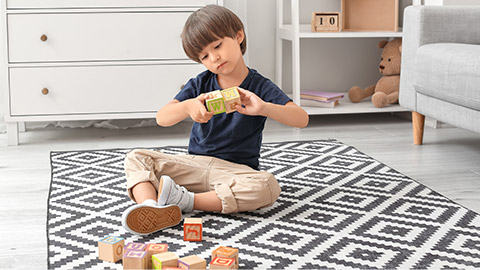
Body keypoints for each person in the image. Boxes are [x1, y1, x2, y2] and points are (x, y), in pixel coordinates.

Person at [121, 5, 309, 235]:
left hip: (234, 172)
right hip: (194, 165)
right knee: (136, 157)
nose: (214, 58)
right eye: (204, 56)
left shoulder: (260, 87)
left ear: (238, 36)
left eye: (217, 46)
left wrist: (264, 108)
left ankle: (186, 201)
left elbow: (301, 119)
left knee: (267, 186)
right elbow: (162, 118)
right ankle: (149, 208)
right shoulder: (200, 84)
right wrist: (189, 106)